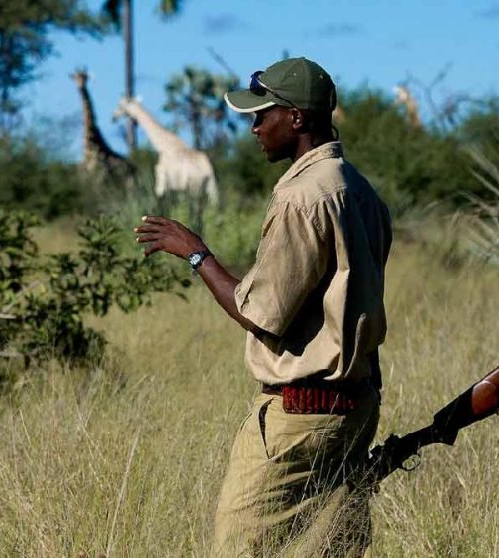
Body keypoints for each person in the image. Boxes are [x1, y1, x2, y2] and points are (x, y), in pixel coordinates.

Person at [134, 57, 392, 556]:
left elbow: (261, 313)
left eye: (262, 115)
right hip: (354, 407)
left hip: (300, 415)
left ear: (296, 118)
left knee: (241, 547)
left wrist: (196, 253)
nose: (254, 128)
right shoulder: (359, 189)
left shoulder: (301, 197)